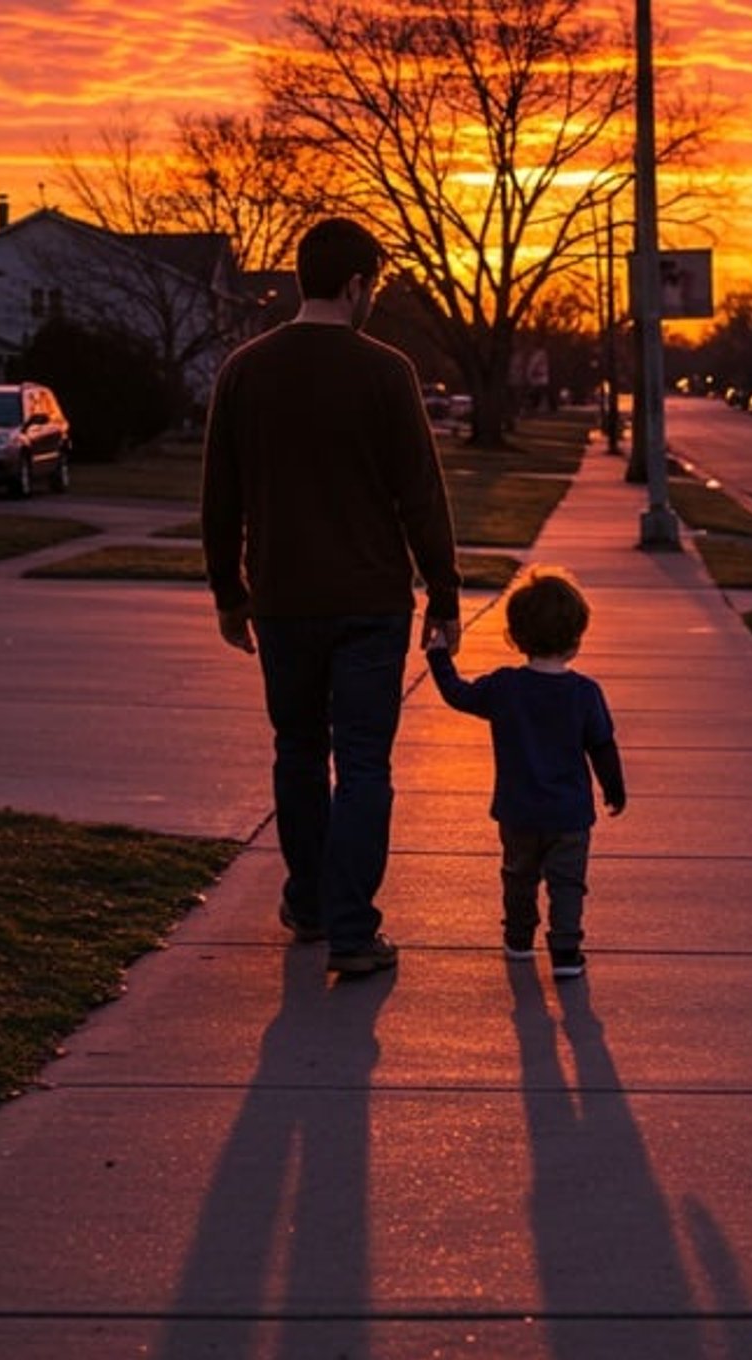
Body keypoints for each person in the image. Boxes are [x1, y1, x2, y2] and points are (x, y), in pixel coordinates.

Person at [201, 216, 461, 979]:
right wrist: (443, 593)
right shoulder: (387, 372)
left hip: (282, 601)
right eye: (372, 286)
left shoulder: (245, 370)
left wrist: (229, 593)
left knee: (299, 750)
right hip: (372, 603)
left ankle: (309, 905)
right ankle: (352, 928)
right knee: (365, 763)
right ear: (356, 286)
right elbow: (420, 493)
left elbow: (222, 498)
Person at [425, 566, 625, 978]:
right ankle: (566, 952)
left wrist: (438, 654)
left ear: (516, 636)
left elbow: (457, 694)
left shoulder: (504, 687)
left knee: (518, 876)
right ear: (575, 637)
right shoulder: (584, 694)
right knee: (567, 883)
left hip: (518, 812)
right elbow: (601, 746)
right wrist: (613, 788)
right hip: (569, 815)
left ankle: (518, 939)